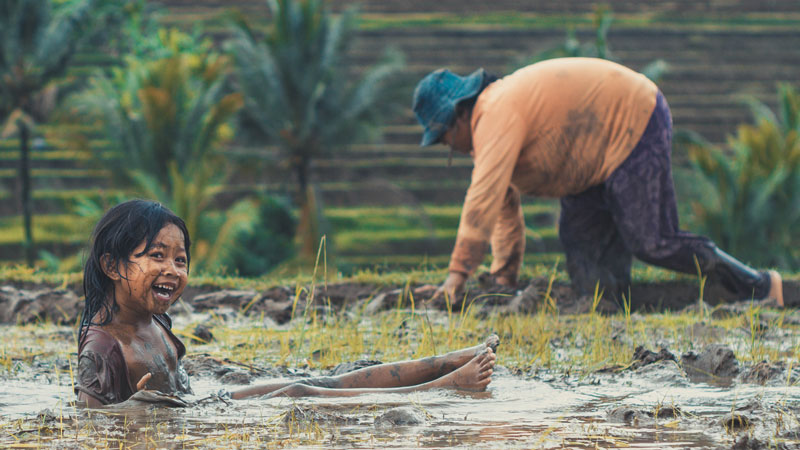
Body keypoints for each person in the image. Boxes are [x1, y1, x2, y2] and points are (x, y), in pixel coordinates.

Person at [411, 57, 784, 307]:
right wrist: (503, 279)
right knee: (580, 244)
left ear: (460, 114)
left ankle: (761, 287)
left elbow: (481, 200)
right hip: (586, 165)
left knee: (652, 240)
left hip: (632, 120)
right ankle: (619, 308)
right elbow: (502, 213)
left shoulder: (494, 112)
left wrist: (457, 276)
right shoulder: (490, 139)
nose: (449, 147)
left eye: (443, 138)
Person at [75, 199, 497, 407]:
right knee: (299, 390)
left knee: (320, 381)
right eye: (156, 256)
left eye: (180, 260)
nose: (173, 269)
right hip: (195, 418)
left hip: (204, 406)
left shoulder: (153, 322)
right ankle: (439, 389)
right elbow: (88, 426)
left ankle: (444, 361)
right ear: (112, 265)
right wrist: (131, 411)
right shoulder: (103, 346)